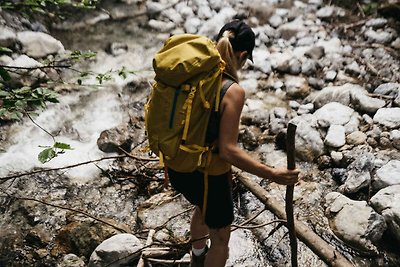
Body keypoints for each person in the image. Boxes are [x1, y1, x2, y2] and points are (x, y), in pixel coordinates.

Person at [167, 20, 300, 267]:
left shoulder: (195, 72)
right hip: (208, 176)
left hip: (177, 165)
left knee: (201, 206)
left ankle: (197, 257)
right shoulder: (233, 91)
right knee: (221, 242)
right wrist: (273, 174)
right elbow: (228, 151)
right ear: (242, 55)